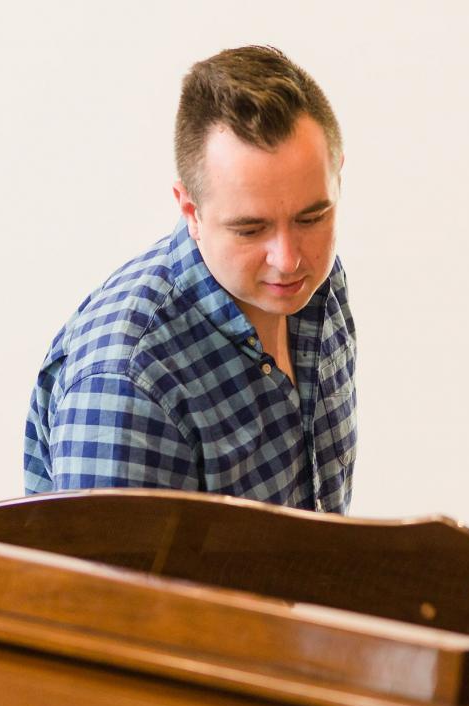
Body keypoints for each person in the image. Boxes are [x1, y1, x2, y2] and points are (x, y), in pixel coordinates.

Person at [24, 45, 355, 514]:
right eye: (250, 228)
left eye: (311, 218)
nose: (288, 259)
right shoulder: (127, 381)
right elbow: (114, 591)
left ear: (336, 180)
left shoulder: (316, 285)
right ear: (190, 211)